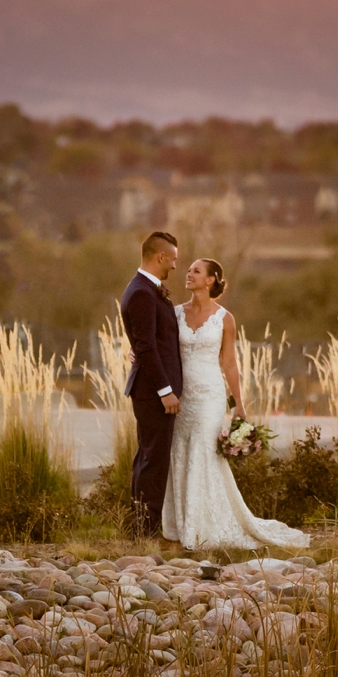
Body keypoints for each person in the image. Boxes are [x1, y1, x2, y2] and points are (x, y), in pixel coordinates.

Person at [161, 258, 310, 552]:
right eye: (188, 270)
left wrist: (238, 404)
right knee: (179, 454)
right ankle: (179, 527)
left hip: (210, 396)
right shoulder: (175, 313)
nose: (188, 274)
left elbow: (229, 362)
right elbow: (159, 346)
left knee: (205, 454)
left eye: (196, 271)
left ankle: (204, 527)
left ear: (211, 280)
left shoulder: (224, 318)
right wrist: (135, 354)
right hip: (182, 396)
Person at [121, 231, 184, 543]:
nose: (174, 265)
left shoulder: (147, 289)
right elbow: (146, 347)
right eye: (172, 259)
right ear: (160, 257)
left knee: (148, 458)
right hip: (152, 392)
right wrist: (165, 391)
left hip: (150, 389)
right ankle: (146, 532)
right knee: (153, 461)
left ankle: (140, 528)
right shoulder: (143, 293)